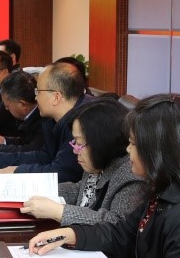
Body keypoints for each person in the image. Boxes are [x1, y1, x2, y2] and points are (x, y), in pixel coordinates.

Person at [30, 93, 180, 258]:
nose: (128, 150)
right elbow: (122, 233)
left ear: (156, 151)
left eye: (133, 144)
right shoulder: (165, 189)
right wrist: (69, 234)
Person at [19, 98, 144, 236]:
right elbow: (80, 190)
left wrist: (60, 212)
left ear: (101, 142)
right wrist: (39, 190)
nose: (75, 150)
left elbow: (117, 224)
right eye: (75, 142)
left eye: (79, 143)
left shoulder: (131, 173)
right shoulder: (98, 162)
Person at [0, 63, 85, 182]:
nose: (35, 98)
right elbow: (44, 157)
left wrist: (16, 171)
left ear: (56, 97)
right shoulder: (53, 120)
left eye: (38, 92)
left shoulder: (82, 122)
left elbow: (62, 173)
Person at [0, 70, 42, 149]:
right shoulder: (30, 115)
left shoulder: (43, 121)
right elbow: (24, 142)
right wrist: (3, 140)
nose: (6, 109)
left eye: (7, 106)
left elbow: (31, 150)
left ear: (22, 104)